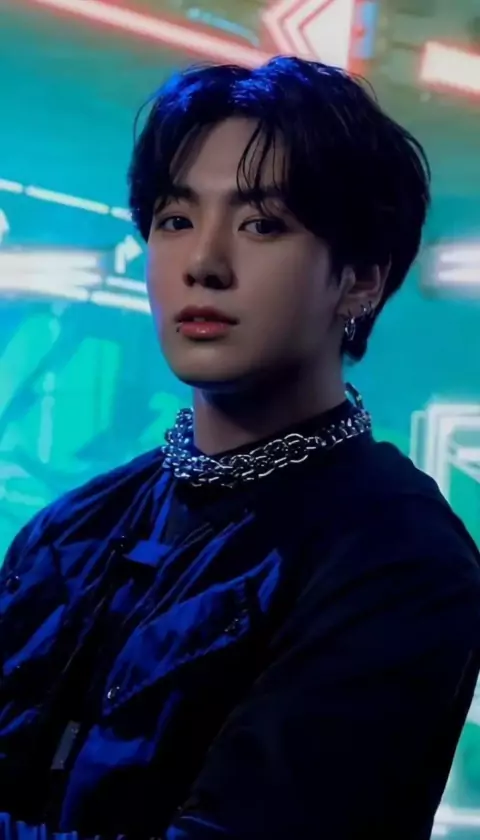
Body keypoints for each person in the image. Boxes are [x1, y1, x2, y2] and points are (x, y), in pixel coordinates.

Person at [0, 56, 479, 840]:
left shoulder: (400, 557)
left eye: (262, 225)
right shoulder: (71, 528)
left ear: (361, 279)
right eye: (175, 220)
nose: (204, 264)